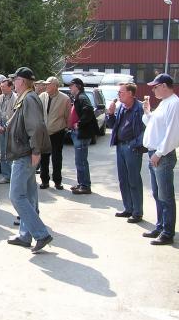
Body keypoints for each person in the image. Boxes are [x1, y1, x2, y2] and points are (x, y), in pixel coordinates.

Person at [5, 67, 53, 253]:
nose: (12, 83)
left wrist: (35, 150)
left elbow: (36, 126)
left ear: (22, 81)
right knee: (30, 195)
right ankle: (25, 235)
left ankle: (40, 234)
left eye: (14, 79)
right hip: (25, 152)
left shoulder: (29, 98)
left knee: (16, 195)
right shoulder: (26, 97)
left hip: (25, 153)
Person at [141, 74, 179, 245]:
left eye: (155, 87)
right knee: (158, 194)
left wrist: (159, 153)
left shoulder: (174, 103)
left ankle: (167, 232)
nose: (153, 89)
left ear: (164, 85)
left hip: (162, 156)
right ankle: (161, 225)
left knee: (165, 196)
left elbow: (173, 133)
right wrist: (148, 112)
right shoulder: (165, 103)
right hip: (155, 154)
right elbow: (154, 125)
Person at [106, 82, 145, 223]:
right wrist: (110, 114)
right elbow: (112, 126)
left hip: (132, 148)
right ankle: (128, 208)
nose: (118, 95)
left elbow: (145, 130)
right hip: (120, 147)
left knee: (133, 179)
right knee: (123, 179)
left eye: (121, 92)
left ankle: (137, 212)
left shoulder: (140, 108)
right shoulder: (121, 107)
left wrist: (135, 144)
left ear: (130, 93)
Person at [38, 76, 70, 190]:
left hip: (57, 132)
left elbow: (67, 116)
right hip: (44, 132)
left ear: (56, 86)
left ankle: (57, 181)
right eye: (45, 84)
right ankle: (44, 181)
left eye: (48, 84)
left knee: (57, 158)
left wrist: (66, 127)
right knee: (44, 158)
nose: (46, 86)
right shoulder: (42, 96)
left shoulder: (65, 99)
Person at [68, 78, 98, 195]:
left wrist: (79, 123)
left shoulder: (82, 97)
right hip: (79, 133)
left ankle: (85, 186)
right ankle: (81, 183)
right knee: (79, 160)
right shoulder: (79, 97)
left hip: (82, 134)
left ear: (78, 86)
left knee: (81, 161)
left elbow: (89, 110)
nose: (70, 88)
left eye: (72, 86)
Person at [0, 77, 17, 184]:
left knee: (11, 152)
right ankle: (6, 175)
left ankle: (14, 176)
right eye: (1, 86)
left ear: (11, 87)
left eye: (4, 86)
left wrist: (6, 125)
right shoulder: (1, 97)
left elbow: (16, 115)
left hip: (12, 127)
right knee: (3, 151)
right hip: (1, 126)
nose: (1, 88)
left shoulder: (16, 98)